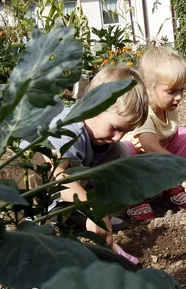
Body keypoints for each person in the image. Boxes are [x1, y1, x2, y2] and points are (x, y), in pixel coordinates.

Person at [45, 65, 149, 265]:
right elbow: (55, 176)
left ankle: (81, 218)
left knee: (121, 152)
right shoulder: (69, 129)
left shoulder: (108, 141)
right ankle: (54, 219)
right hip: (39, 193)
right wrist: (95, 212)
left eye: (125, 131)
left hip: (77, 186)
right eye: (114, 128)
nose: (118, 136)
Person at [122, 45, 186, 215]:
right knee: (126, 149)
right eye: (171, 91)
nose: (179, 96)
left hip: (157, 161)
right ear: (148, 88)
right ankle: (136, 198)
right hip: (139, 164)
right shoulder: (143, 112)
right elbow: (152, 148)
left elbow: (169, 139)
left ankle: (173, 187)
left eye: (181, 89)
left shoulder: (168, 106)